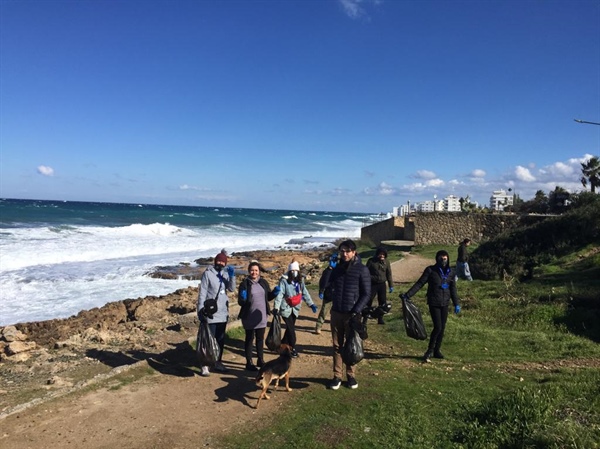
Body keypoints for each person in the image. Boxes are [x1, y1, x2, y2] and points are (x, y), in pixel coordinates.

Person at [401, 250, 461, 362]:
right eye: (441, 258)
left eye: (445, 258)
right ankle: (429, 350)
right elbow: (420, 283)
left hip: (445, 302)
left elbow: (453, 289)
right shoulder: (430, 270)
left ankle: (437, 350)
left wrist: (456, 303)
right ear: (437, 259)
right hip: (434, 302)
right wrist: (408, 295)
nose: (443, 260)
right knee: (437, 326)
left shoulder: (451, 272)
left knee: (442, 327)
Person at [327, 239, 371, 390]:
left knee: (351, 346)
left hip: (352, 314)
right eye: (342, 251)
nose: (344, 254)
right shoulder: (337, 269)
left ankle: (351, 375)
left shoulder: (362, 269)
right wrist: (328, 270)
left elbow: (366, 294)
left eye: (347, 251)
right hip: (336, 312)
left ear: (354, 252)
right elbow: (326, 287)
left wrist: (356, 310)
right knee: (336, 346)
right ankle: (337, 376)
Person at [197, 249, 236, 376]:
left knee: (220, 339)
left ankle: (218, 362)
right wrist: (200, 310)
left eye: (223, 262)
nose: (220, 263)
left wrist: (232, 276)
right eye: (218, 261)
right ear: (215, 261)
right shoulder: (208, 274)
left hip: (223, 312)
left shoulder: (225, 274)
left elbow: (231, 288)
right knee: (209, 339)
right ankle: (205, 365)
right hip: (211, 312)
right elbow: (202, 293)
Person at [237, 260, 280, 371]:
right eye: (252, 270)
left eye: (256, 270)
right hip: (249, 316)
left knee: (260, 339)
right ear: (249, 271)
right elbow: (241, 302)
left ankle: (260, 360)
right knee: (249, 339)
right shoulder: (244, 284)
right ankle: (249, 362)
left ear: (259, 271)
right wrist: (243, 298)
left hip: (261, 316)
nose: (254, 272)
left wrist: (275, 293)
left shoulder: (263, 282)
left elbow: (268, 297)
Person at [273, 260, 318, 358]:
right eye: (292, 270)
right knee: (291, 331)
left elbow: (305, 292)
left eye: (296, 270)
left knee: (289, 329)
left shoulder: (300, 281)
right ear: (289, 271)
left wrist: (311, 304)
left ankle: (281, 346)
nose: (294, 272)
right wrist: (276, 307)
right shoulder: (284, 281)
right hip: (286, 309)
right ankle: (292, 348)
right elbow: (280, 295)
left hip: (295, 309)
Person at [366, 247, 394, 325]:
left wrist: (391, 285)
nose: (382, 255)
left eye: (383, 254)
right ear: (377, 254)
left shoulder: (386, 262)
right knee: (368, 300)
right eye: (380, 254)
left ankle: (380, 318)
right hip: (372, 284)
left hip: (382, 284)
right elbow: (365, 273)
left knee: (382, 301)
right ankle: (365, 317)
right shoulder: (371, 261)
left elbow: (389, 274)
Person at [315, 252, 338, 335]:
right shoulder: (327, 271)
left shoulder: (340, 270)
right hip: (328, 294)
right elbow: (323, 281)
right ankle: (318, 326)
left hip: (338, 295)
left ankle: (335, 329)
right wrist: (321, 291)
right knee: (324, 311)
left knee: (336, 314)